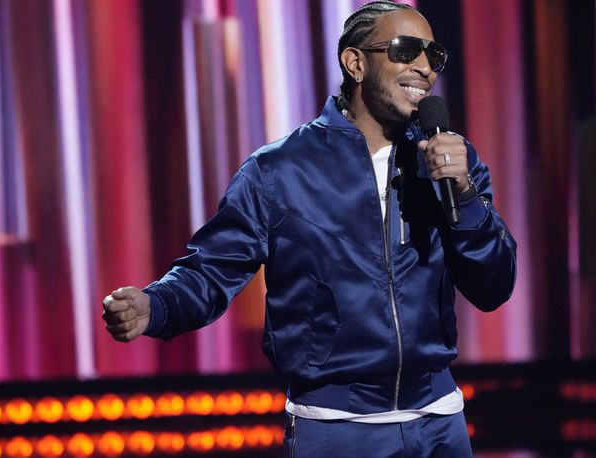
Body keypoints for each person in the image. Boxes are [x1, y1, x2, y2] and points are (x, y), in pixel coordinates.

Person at [102, 1, 516, 456]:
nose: (423, 68)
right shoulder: (279, 170)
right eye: (405, 50)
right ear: (355, 63)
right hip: (335, 429)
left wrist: (462, 194)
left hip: (439, 424)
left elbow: (494, 285)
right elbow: (212, 270)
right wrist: (156, 304)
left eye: (432, 56)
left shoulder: (449, 161)